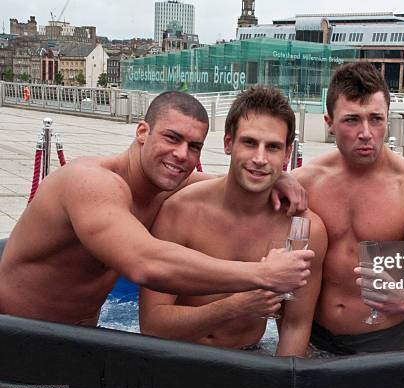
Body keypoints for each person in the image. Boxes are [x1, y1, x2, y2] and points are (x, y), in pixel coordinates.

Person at [0, 91, 313, 326]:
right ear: (142, 133)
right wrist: (262, 274)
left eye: (194, 146)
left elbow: (229, 183)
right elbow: (144, 263)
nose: (181, 154)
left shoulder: (169, 186)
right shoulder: (90, 183)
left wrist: (277, 179)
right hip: (18, 337)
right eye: (172, 138)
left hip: (81, 338)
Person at [139, 86, 327, 357]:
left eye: (272, 147)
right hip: (178, 356)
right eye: (249, 143)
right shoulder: (179, 212)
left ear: (287, 155)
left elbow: (295, 326)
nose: (260, 159)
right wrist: (237, 306)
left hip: (249, 358)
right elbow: (152, 326)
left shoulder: (304, 231)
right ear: (228, 143)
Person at [292, 62, 404, 355]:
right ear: (329, 122)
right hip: (312, 339)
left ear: (387, 118)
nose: (366, 132)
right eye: (352, 120)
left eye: (376, 119)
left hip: (382, 345)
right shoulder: (305, 183)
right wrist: (276, 180)